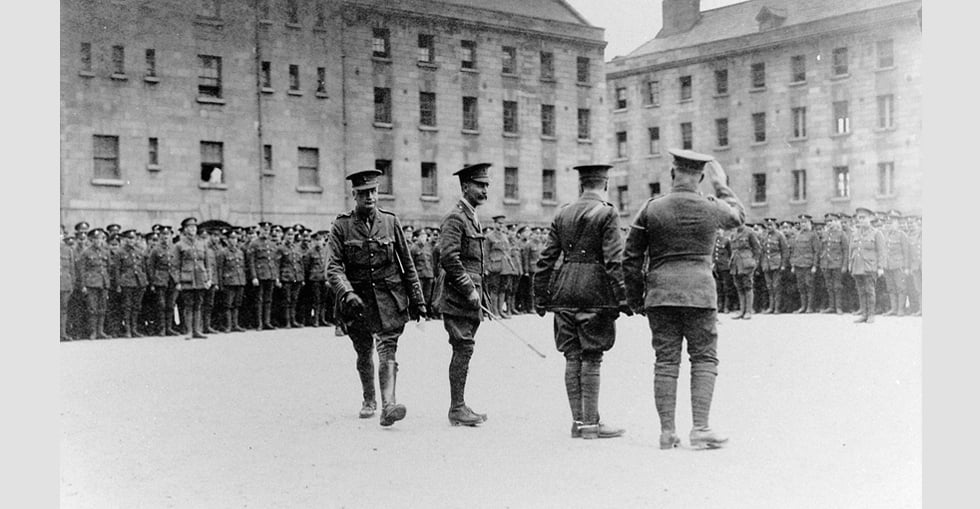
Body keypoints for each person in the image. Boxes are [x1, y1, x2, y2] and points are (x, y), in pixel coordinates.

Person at [623, 149, 744, 450]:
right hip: (700, 294)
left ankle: (667, 432)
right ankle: (700, 427)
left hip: (661, 295)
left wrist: (637, 298)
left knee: (665, 361)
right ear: (701, 178)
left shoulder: (651, 208)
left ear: (672, 174)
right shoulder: (712, 206)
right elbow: (739, 217)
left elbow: (630, 257)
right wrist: (721, 185)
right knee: (703, 358)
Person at [533, 164, 630, 439]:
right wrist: (624, 298)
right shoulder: (607, 213)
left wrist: (540, 297)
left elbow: (546, 260)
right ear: (606, 184)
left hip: (564, 290)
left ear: (580, 185)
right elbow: (614, 260)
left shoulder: (562, 213)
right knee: (592, 357)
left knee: (571, 355)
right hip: (595, 291)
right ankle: (591, 424)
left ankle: (578, 422)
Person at [327, 169, 426, 427]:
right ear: (354, 195)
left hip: (388, 298)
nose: (369, 197)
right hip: (356, 301)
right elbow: (333, 266)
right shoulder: (342, 226)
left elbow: (407, 264)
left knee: (388, 350)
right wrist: (346, 292)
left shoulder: (391, 222)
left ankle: (389, 406)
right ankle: (369, 398)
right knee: (363, 352)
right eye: (363, 193)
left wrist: (418, 300)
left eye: (372, 191)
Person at [432, 163, 492, 427]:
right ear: (465, 186)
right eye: (480, 185)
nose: (485, 190)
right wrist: (468, 288)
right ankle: (456, 407)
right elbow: (448, 257)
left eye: (487, 185)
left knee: (465, 348)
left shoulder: (472, 217)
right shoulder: (456, 218)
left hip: (470, 295)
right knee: (463, 347)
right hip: (458, 295)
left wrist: (480, 292)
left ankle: (459, 405)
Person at [173, 217, 212, 339]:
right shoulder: (179, 245)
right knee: (188, 305)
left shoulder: (202, 243)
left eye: (194, 227)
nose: (193, 230)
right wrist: (177, 281)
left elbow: (207, 263)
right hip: (187, 279)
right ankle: (189, 331)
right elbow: (175, 266)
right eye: (190, 227)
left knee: (198, 304)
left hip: (200, 278)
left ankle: (197, 330)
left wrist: (209, 278)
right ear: (185, 230)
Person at [848, 207, 885, 323]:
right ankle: (864, 314)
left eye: (863, 218)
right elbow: (851, 249)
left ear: (870, 218)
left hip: (870, 267)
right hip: (857, 266)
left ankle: (871, 315)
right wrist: (850, 263)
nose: (861, 220)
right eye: (859, 218)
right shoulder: (855, 233)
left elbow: (881, 252)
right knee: (861, 291)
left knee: (870, 291)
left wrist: (880, 267)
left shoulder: (876, 233)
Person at [111, 229, 149, 338]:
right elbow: (117, 269)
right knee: (127, 306)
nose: (131, 240)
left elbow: (143, 267)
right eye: (128, 238)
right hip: (126, 282)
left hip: (139, 282)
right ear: (124, 239)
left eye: (133, 238)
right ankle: (127, 330)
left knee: (136, 306)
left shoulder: (139, 251)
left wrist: (144, 280)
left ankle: (134, 329)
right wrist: (118, 284)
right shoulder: (119, 252)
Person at [78, 228, 112, 339]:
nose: (98, 241)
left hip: (103, 283)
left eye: (101, 239)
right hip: (91, 283)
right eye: (96, 239)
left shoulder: (105, 252)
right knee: (92, 308)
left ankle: (100, 331)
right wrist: (83, 285)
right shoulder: (86, 253)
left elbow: (108, 268)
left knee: (102, 308)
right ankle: (93, 332)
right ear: (92, 240)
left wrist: (107, 282)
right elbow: (82, 270)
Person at [247, 222, 279, 330]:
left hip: (270, 275)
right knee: (259, 300)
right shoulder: (254, 244)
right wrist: (254, 277)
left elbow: (274, 262)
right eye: (264, 229)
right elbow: (251, 262)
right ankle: (259, 323)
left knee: (268, 300)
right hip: (260, 275)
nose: (266, 232)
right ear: (259, 230)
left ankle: (267, 322)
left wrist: (275, 276)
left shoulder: (272, 244)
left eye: (268, 230)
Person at [148, 228, 179, 336]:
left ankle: (169, 328)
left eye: (168, 235)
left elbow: (178, 265)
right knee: (161, 305)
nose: (165, 237)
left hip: (173, 279)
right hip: (160, 279)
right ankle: (162, 328)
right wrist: (152, 282)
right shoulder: (156, 250)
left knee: (171, 305)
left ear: (171, 236)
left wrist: (178, 280)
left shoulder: (175, 248)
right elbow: (151, 267)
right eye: (163, 235)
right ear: (160, 236)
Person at [728, 222, 761, 320]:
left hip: (746, 263)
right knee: (739, 287)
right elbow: (732, 249)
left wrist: (754, 261)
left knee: (747, 286)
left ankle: (748, 311)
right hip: (735, 264)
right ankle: (742, 310)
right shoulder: (734, 234)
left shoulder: (749, 232)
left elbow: (757, 248)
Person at [217, 228, 248, 332]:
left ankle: (235, 325)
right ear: (227, 240)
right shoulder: (223, 252)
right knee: (227, 304)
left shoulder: (240, 252)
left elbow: (243, 267)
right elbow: (220, 268)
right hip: (228, 281)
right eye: (231, 238)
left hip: (239, 280)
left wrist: (243, 280)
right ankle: (228, 325)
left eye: (235, 238)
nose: (233, 240)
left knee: (237, 304)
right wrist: (220, 284)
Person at [881, 210, 911, 316]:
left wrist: (907, 267)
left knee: (901, 287)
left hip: (899, 266)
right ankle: (893, 309)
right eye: (888, 223)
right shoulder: (885, 235)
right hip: (888, 266)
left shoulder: (902, 235)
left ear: (897, 223)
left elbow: (906, 252)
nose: (889, 225)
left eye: (892, 222)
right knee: (891, 287)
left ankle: (900, 309)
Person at [789, 214, 821, 313]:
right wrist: (793, 265)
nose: (803, 224)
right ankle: (803, 306)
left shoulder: (813, 235)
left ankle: (810, 307)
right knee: (801, 286)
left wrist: (815, 265)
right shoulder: (797, 235)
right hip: (798, 264)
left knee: (809, 286)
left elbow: (817, 251)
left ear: (809, 223)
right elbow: (794, 251)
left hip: (808, 264)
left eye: (805, 222)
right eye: (801, 222)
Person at [818, 213, 849, 314]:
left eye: (831, 221)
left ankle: (838, 307)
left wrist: (844, 265)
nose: (829, 223)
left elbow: (845, 251)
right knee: (829, 286)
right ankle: (831, 306)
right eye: (827, 221)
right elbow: (822, 249)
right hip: (826, 264)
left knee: (837, 286)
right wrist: (822, 263)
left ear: (836, 222)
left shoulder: (841, 234)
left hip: (837, 264)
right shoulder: (824, 234)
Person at [277, 226, 305, 328]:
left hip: (297, 277)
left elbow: (300, 264)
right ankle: (287, 321)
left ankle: (293, 320)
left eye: (292, 235)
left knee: (294, 299)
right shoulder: (281, 248)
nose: (290, 237)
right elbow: (277, 264)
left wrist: (302, 278)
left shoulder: (297, 247)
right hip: (286, 277)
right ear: (284, 235)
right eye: (288, 235)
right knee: (287, 300)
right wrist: (278, 278)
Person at [711, 228, 733, 313]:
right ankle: (720, 305)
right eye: (717, 229)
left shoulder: (726, 241)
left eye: (720, 229)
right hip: (716, 267)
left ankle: (727, 306)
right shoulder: (713, 241)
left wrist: (728, 263)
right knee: (718, 287)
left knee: (726, 287)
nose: (718, 231)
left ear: (723, 231)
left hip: (725, 267)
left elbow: (730, 253)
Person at [61, 230, 77, 341]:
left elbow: (72, 269)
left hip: (65, 283)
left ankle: (63, 333)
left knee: (63, 309)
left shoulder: (68, 250)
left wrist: (72, 283)